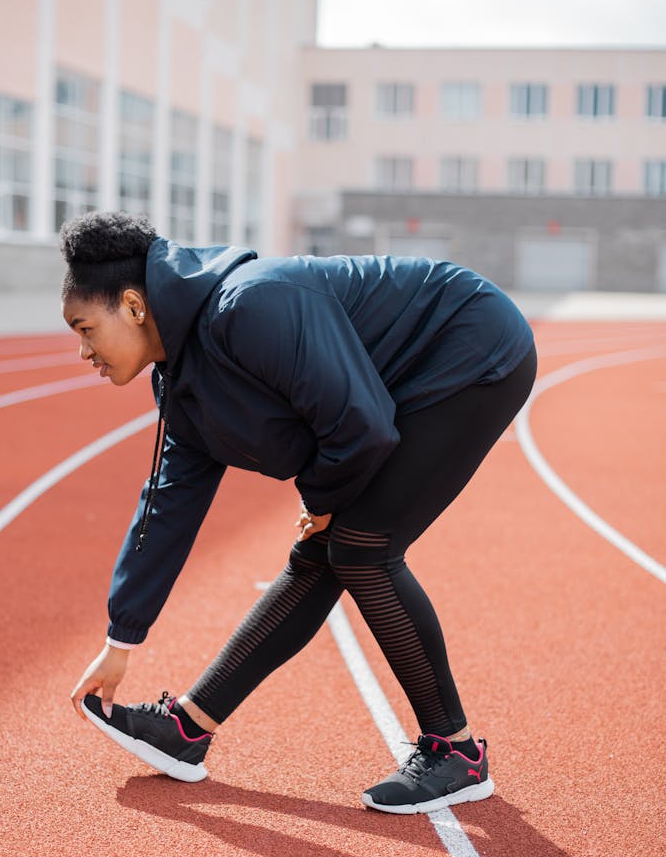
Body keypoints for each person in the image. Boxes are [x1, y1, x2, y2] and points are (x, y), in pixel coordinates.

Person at [63, 211, 536, 815]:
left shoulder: (252, 305)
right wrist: (120, 637)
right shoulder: (180, 382)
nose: (83, 351)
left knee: (361, 547)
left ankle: (456, 753)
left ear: (133, 306)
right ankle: (187, 732)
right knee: (325, 552)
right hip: (396, 384)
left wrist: (321, 501)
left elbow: (360, 424)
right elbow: (167, 501)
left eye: (85, 329)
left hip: (469, 344)